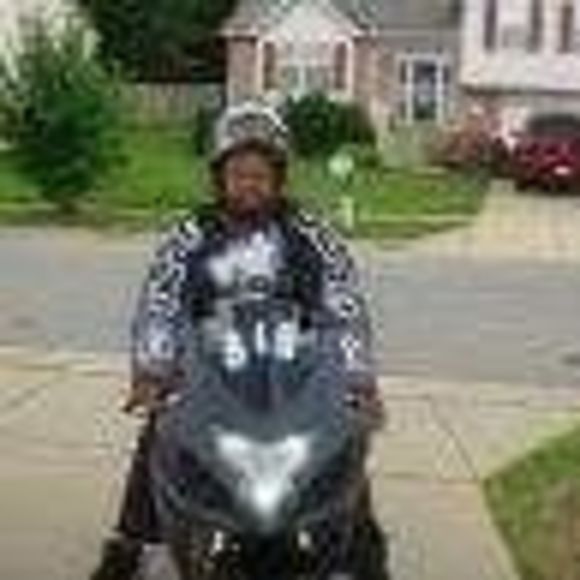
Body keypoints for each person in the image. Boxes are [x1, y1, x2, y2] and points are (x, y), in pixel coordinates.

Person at [89, 101, 386, 580]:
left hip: (296, 370)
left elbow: (344, 303)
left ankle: (358, 554)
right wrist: (152, 370)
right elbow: (161, 301)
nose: (250, 184)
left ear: (279, 179)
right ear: (219, 177)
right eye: (239, 174)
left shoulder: (312, 233)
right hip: (209, 368)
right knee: (161, 433)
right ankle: (136, 541)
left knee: (339, 442)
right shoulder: (190, 234)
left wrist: (359, 379)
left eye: (261, 175)